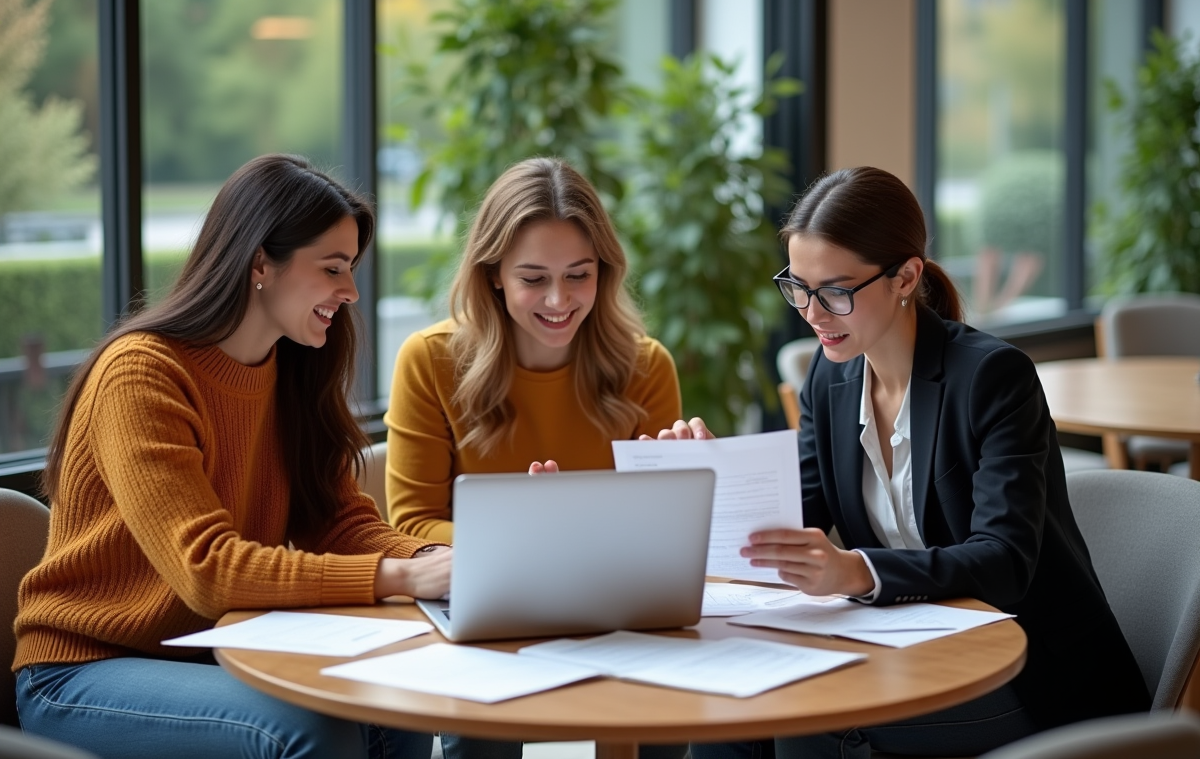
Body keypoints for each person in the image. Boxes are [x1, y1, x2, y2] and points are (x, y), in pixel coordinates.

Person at [648, 167, 1149, 758]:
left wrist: (858, 572)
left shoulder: (991, 377)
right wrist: (714, 483)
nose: (812, 313)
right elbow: (791, 520)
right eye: (798, 287)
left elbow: (1003, 563)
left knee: (805, 725)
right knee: (731, 708)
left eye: (835, 291)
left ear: (905, 276)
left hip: (1027, 671)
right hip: (903, 648)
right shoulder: (829, 376)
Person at [13, 154, 452, 759]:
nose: (350, 291)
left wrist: (444, 559)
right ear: (259, 263)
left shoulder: (294, 371)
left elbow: (338, 522)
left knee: (401, 702)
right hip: (85, 670)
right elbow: (208, 570)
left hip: (212, 649)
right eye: (332, 269)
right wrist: (402, 575)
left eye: (349, 269)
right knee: (311, 731)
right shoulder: (142, 373)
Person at [383, 156, 686, 759]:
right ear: (493, 274)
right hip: (490, 613)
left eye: (579, 274)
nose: (558, 299)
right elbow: (409, 526)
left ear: (605, 269)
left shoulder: (646, 365)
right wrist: (523, 536)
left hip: (618, 612)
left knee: (669, 714)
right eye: (533, 278)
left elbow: (663, 530)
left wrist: (690, 486)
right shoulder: (430, 360)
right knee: (481, 725)